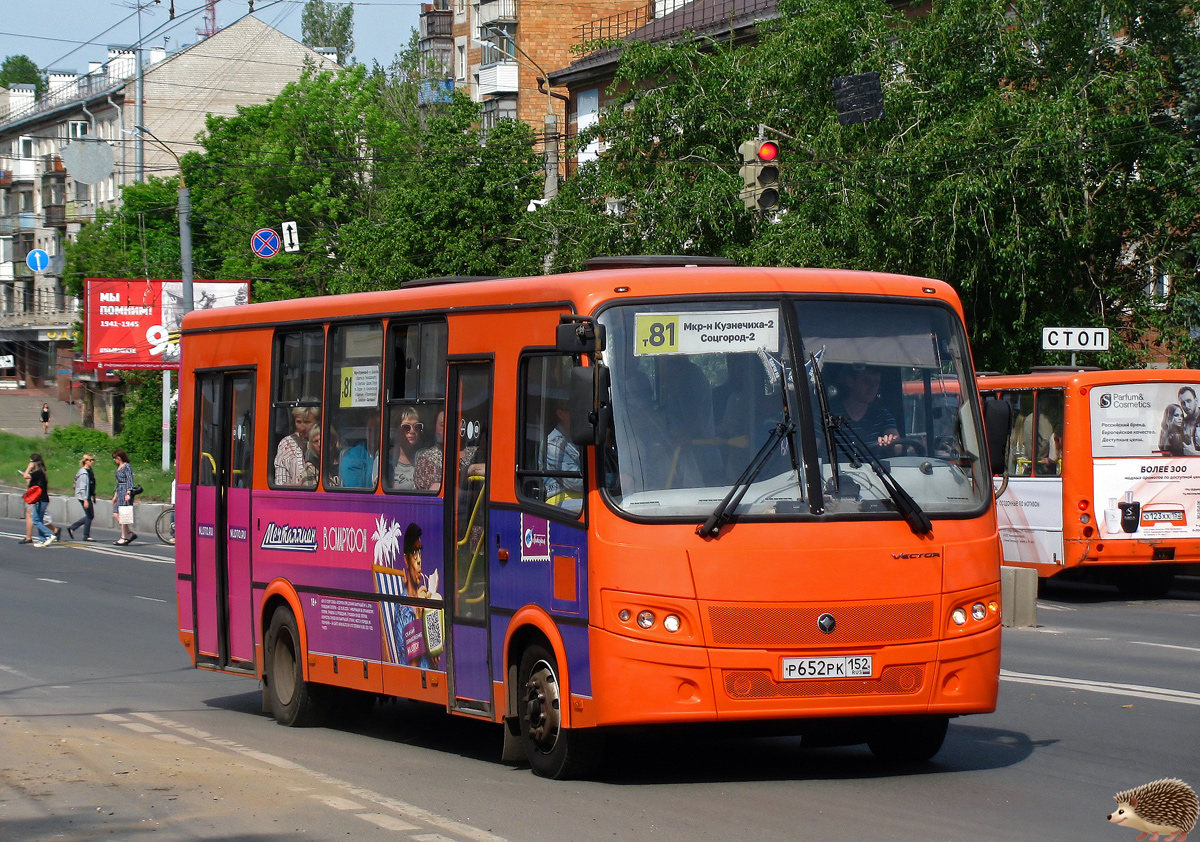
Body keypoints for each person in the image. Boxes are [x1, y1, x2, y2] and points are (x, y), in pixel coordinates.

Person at [393, 524, 440, 669]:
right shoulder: (403, 609)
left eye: (419, 551)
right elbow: (413, 667)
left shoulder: (422, 595)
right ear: (406, 560)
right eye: (414, 552)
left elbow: (434, 659)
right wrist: (419, 615)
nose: (419, 560)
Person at [833, 365, 900, 451]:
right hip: (835, 464)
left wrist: (890, 441)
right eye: (866, 381)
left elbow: (898, 446)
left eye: (876, 382)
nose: (872, 387)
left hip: (873, 465)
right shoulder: (829, 415)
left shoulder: (882, 414)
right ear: (850, 382)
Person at [544, 401, 583, 510]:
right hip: (561, 500)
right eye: (573, 410)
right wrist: (614, 480)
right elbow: (573, 481)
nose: (579, 414)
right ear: (560, 414)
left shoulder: (579, 439)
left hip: (585, 496)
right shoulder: (554, 443)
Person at [274, 406, 320, 486]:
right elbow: (280, 483)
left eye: (307, 422)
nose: (302, 428)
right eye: (298, 422)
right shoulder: (287, 443)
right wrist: (302, 486)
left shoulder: (326, 442)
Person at [340, 414, 380, 488]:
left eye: (377, 430)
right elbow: (356, 493)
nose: (373, 434)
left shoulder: (392, 455)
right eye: (370, 430)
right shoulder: (352, 457)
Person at [27, 454, 58, 547]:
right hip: (44, 499)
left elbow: (27, 478)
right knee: (40, 520)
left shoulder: (37, 474)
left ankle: (49, 535)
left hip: (39, 500)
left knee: (35, 520)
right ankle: (42, 539)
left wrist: (28, 468)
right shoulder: (42, 473)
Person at [67, 453, 98, 541]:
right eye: (90, 460)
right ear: (85, 461)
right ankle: (85, 535)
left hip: (88, 495)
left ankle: (72, 528)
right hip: (84, 496)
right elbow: (82, 486)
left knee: (90, 515)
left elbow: (92, 484)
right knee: (89, 516)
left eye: (93, 460)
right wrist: (85, 500)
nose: (92, 462)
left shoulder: (90, 471)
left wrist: (94, 495)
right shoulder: (83, 472)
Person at [390, 408, 422, 490]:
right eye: (406, 427)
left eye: (417, 427)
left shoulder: (424, 459)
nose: (412, 431)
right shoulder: (384, 459)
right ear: (396, 430)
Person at [414, 409, 445, 492]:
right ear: (435, 428)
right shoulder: (426, 459)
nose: (447, 429)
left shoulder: (474, 453)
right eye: (442, 425)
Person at [112, 449, 136, 545]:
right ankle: (130, 533)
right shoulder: (119, 467)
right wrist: (115, 495)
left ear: (119, 457)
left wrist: (128, 493)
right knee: (115, 514)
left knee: (122, 514)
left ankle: (123, 537)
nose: (114, 460)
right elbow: (118, 483)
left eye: (115, 458)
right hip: (120, 491)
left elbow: (130, 480)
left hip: (125, 491)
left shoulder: (127, 466)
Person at [1178, 387, 1200, 456]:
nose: (1186, 406)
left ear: (1196, 401)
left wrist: (1195, 454)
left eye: (1189, 401)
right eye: (1183, 403)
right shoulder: (1182, 423)